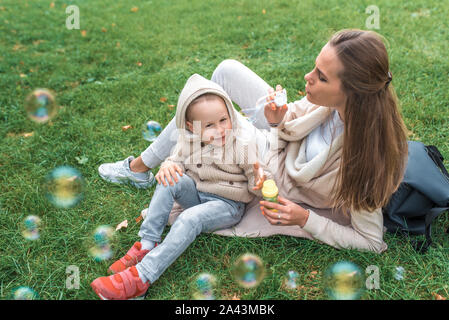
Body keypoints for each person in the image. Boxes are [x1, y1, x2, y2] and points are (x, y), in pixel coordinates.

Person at [98, 29, 408, 255]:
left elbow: (369, 241)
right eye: (315, 67)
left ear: (353, 92)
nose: (307, 77)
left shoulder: (366, 159)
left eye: (321, 77)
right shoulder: (330, 104)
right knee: (225, 72)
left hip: (264, 169)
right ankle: (140, 170)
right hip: (272, 139)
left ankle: (138, 169)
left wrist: (305, 219)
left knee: (204, 116)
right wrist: (276, 116)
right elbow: (290, 124)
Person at [91, 74, 271, 300]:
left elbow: (257, 182)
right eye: (209, 125)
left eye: (224, 120)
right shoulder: (188, 140)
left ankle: (142, 278)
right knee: (169, 178)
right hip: (198, 195)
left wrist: (259, 180)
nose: (220, 130)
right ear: (192, 127)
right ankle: (147, 243)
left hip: (227, 205)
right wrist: (167, 166)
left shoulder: (241, 145)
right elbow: (175, 160)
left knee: (189, 219)